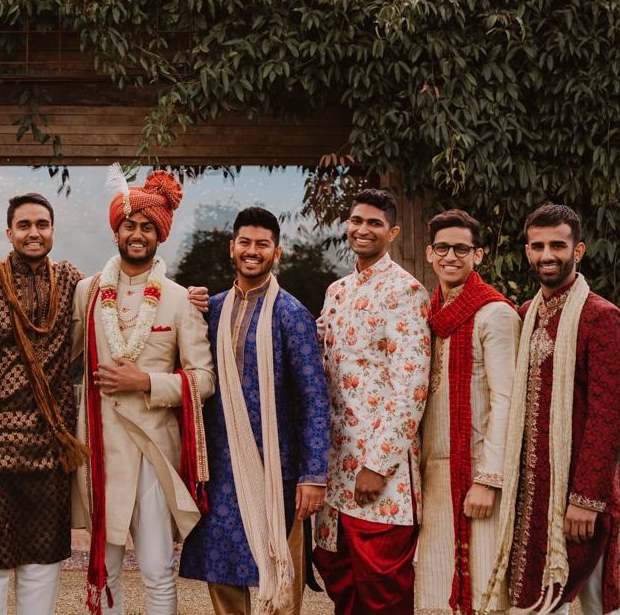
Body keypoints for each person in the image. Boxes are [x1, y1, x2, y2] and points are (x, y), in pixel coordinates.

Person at [71, 167, 215, 615]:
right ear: (117, 230)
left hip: (153, 450)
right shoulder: (87, 292)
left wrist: (147, 382)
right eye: (130, 225)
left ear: (160, 235)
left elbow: (203, 378)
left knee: (155, 569)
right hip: (99, 448)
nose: (137, 234)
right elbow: (59, 357)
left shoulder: (178, 299)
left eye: (147, 227)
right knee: (105, 566)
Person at [179, 207, 330, 615]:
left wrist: (313, 475)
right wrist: (184, 300)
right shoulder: (209, 311)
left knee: (280, 574)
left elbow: (315, 399)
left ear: (276, 252)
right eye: (245, 242)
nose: (252, 251)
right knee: (223, 569)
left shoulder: (292, 315)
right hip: (221, 466)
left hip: (276, 469)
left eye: (262, 244)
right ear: (232, 248)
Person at [483, 204, 620, 615]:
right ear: (527, 251)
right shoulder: (526, 315)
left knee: (597, 600)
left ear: (578, 250)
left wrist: (586, 498)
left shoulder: (602, 318)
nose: (548, 255)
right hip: (534, 492)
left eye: (558, 245)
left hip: (583, 494)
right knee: (541, 599)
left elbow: (608, 415)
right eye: (538, 246)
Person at [0, 192, 87, 615]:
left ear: (52, 230)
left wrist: (194, 298)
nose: (34, 233)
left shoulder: (73, 282)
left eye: (42, 224)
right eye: (25, 225)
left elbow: (125, 303)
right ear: (9, 231)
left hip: (50, 446)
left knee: (43, 559)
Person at [313, 188, 431, 614]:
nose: (363, 229)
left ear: (393, 232)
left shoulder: (406, 292)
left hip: (380, 473)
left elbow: (411, 387)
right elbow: (317, 349)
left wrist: (377, 464)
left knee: (383, 591)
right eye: (357, 220)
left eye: (374, 223)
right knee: (338, 573)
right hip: (335, 466)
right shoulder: (338, 291)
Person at [414, 209, 520, 614]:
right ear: (429, 253)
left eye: (462, 248)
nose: (451, 256)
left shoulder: (495, 313)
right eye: (443, 247)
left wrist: (489, 481)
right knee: (438, 590)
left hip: (476, 473)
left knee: (483, 594)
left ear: (478, 255)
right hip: (435, 474)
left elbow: (507, 402)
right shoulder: (432, 315)